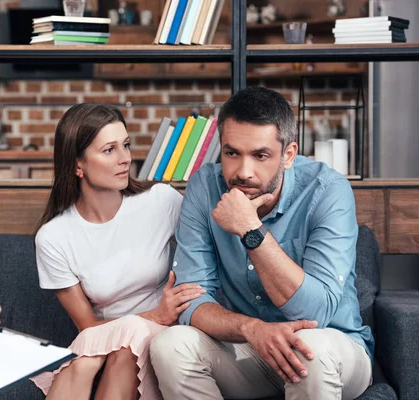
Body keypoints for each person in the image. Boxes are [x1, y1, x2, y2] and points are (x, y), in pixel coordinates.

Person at [149, 87, 374, 400]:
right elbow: (192, 301)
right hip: (250, 349)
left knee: (310, 349)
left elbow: (316, 312)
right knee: (170, 344)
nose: (243, 172)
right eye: (232, 153)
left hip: (332, 347)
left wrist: (250, 230)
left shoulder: (328, 191)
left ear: (289, 155)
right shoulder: (204, 186)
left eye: (260, 155)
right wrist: (252, 329)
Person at [31, 103, 204, 400]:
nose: (126, 159)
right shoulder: (53, 237)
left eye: (125, 145)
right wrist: (154, 314)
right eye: (109, 150)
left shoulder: (160, 201)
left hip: (161, 334)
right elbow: (88, 327)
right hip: (104, 337)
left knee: (126, 348)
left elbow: (209, 245)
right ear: (77, 165)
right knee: (90, 359)